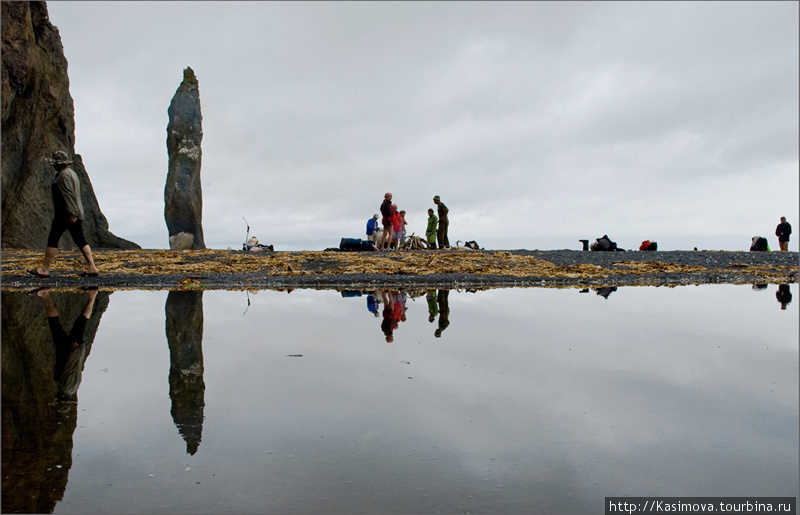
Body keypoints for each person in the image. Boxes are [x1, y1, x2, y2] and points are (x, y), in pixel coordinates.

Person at [29, 151, 99, 278]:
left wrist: (72, 213)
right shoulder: (72, 173)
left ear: (59, 164)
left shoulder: (63, 175)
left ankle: (45, 269)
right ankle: (92, 267)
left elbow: (68, 195)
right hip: (74, 212)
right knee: (80, 239)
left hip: (65, 214)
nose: (53, 166)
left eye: (55, 164)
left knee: (53, 239)